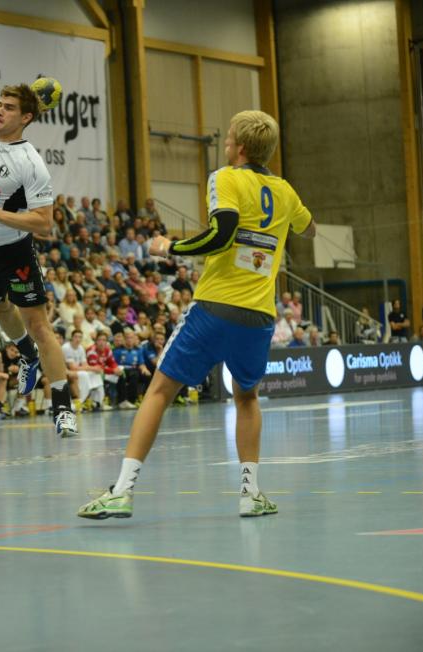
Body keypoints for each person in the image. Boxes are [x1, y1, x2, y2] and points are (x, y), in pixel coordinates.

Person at [79, 110, 317, 520]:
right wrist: (275, 232)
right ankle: (250, 494)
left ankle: (122, 491)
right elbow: (309, 229)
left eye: (228, 138)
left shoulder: (225, 178)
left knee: (159, 391)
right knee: (247, 397)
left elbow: (221, 234)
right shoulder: (284, 191)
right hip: (259, 316)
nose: (225, 144)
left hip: (215, 307)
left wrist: (168, 248)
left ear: (240, 148)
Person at [0, 83, 77, 437]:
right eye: (1, 105)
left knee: (39, 325)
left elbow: (44, 222)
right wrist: (9, 101)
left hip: (13, 248)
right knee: (0, 307)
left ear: (26, 118)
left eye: (10, 108)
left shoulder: (31, 163)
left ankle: (63, 408)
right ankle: (27, 355)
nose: (0, 111)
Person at [62, 329, 106, 411]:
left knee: (95, 374)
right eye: (76, 337)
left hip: (78, 370)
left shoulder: (81, 348)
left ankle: (97, 402)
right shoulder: (66, 347)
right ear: (72, 337)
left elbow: (85, 364)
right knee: (84, 374)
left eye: (80, 337)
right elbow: (72, 367)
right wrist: (93, 368)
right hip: (67, 371)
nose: (78, 339)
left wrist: (94, 369)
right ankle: (80, 402)